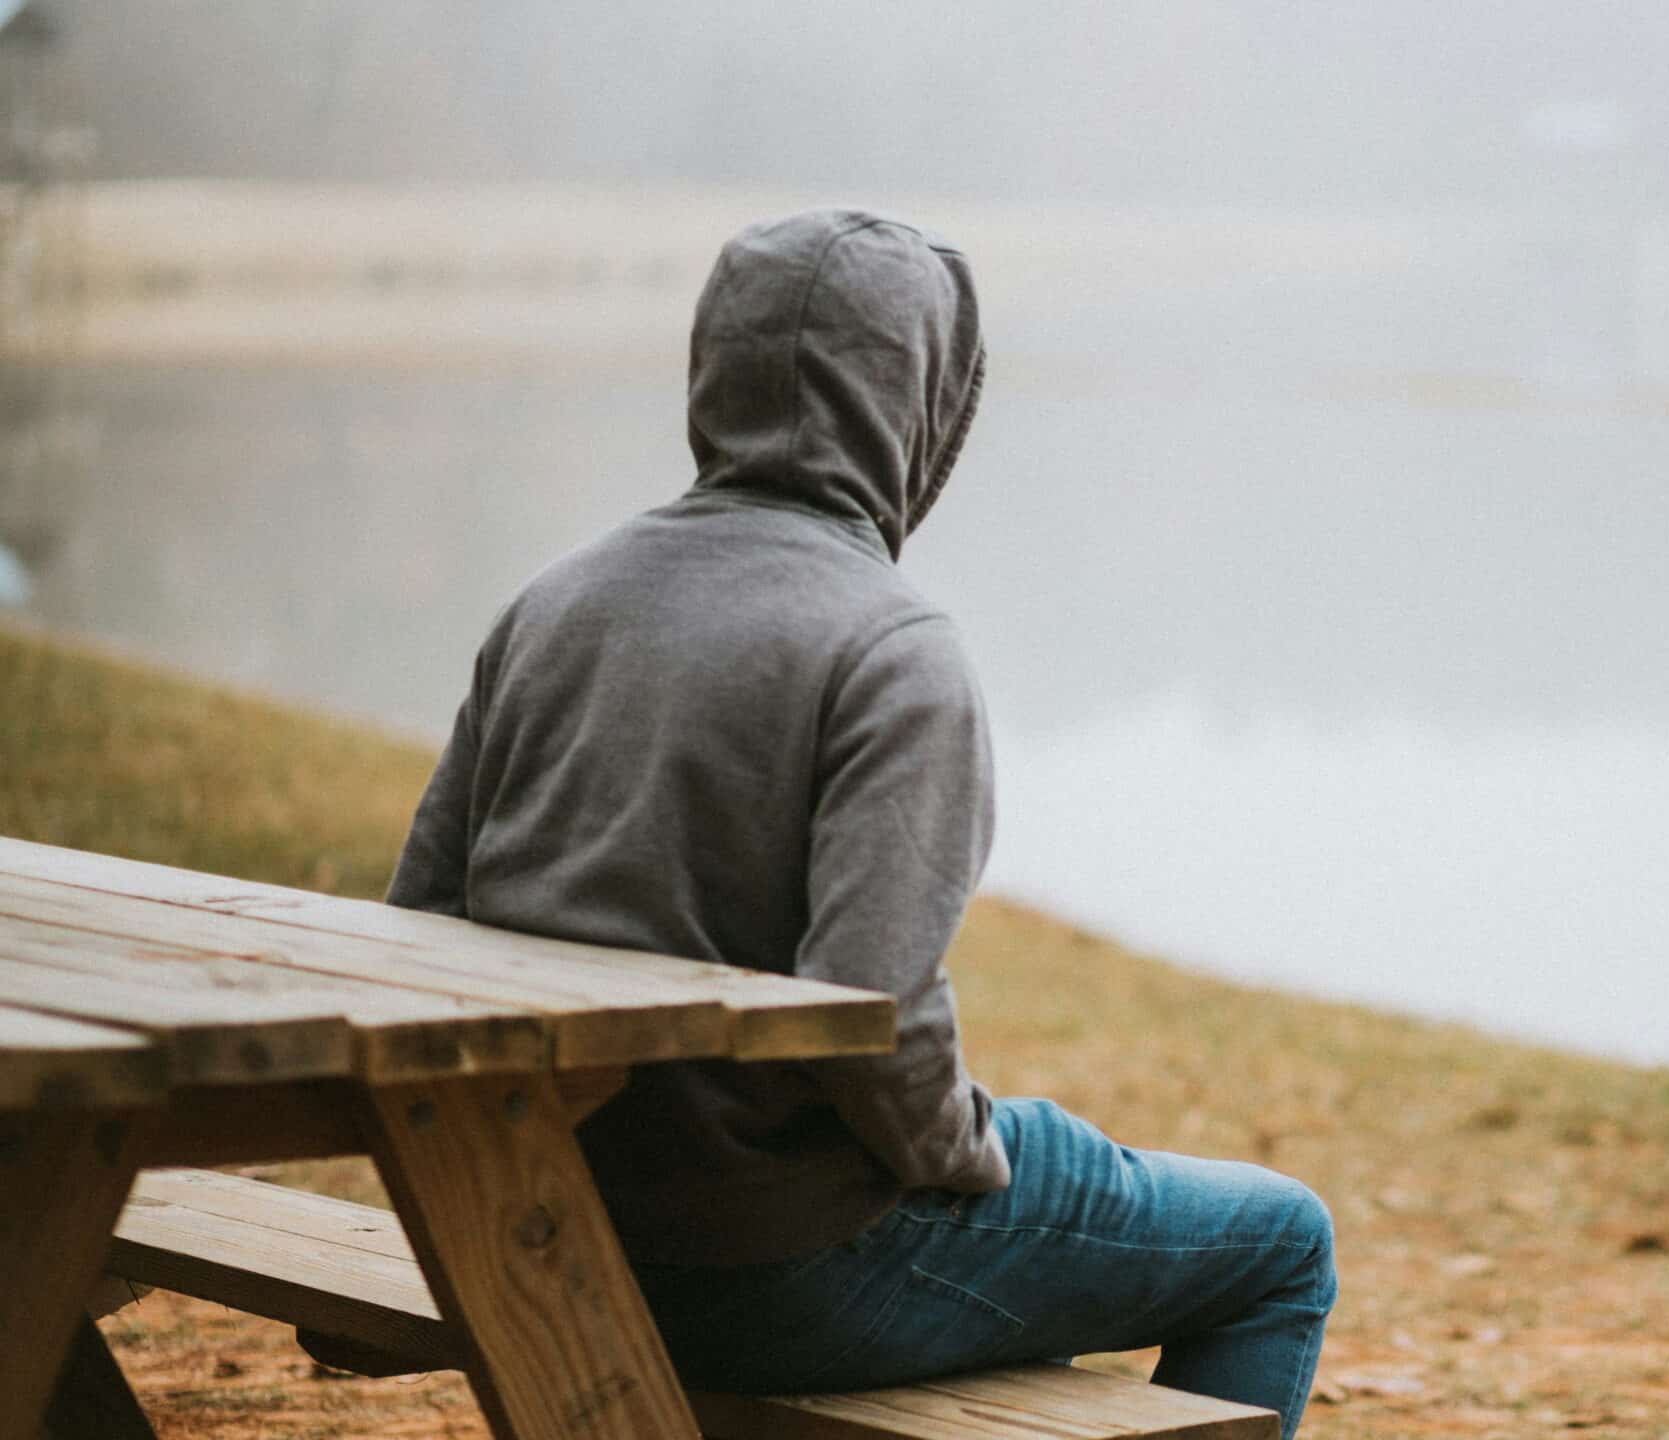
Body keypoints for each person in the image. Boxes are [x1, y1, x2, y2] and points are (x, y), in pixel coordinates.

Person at [385, 209, 1335, 1435]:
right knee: (1279, 1244)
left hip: (541, 1222)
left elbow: (418, 931)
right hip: (780, 1265)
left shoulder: (553, 604)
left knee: (1057, 1155)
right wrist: (968, 1156)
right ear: (919, 407)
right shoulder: (892, 648)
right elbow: (869, 1023)